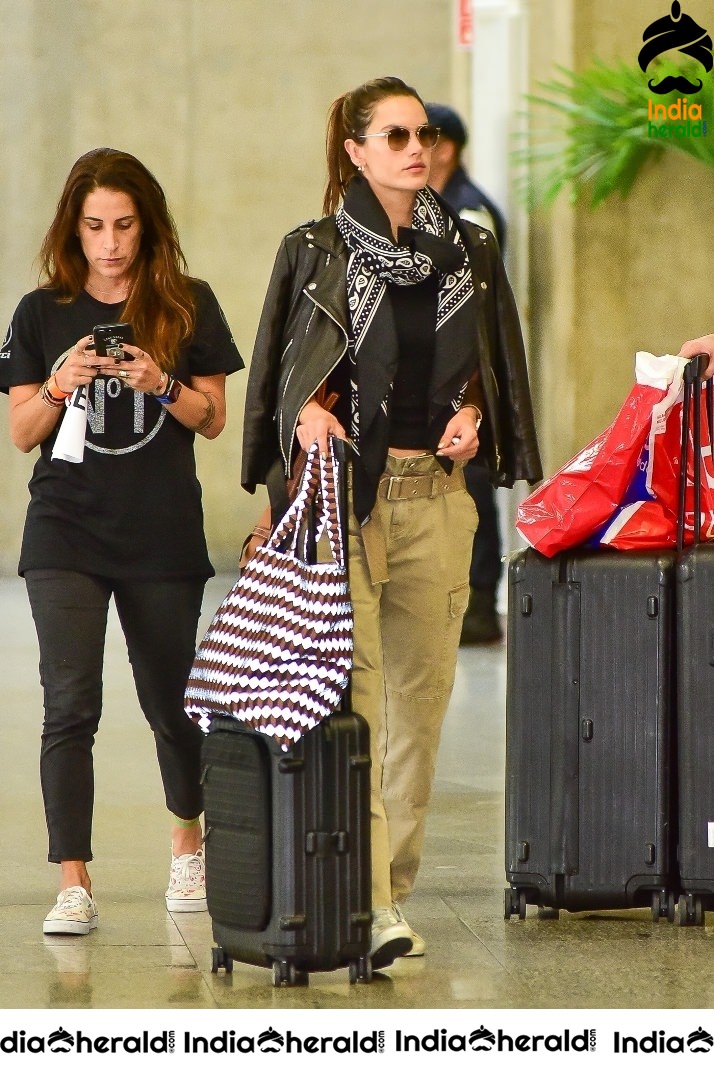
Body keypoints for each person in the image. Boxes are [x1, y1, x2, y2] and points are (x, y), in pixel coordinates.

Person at [241, 76, 542, 968]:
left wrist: (476, 415)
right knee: (362, 699)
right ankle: (370, 906)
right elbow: (277, 374)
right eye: (398, 135)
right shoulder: (315, 249)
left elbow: (496, 364)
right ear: (357, 151)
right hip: (349, 501)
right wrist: (302, 418)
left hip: (441, 498)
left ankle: (390, 889)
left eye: (426, 135)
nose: (420, 148)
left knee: (422, 708)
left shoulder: (471, 251)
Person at [0, 148, 244, 935]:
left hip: (160, 530)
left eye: (125, 225)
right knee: (69, 704)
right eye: (96, 225)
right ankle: (73, 878)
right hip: (64, 529)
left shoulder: (189, 304)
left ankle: (187, 842)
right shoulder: (41, 312)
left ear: (149, 224)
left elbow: (215, 418)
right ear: (74, 227)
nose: (110, 242)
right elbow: (22, 432)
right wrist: (64, 380)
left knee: (173, 700)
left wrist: (160, 383)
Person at [426, 101, 507, 644]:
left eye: (420, 138)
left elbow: (472, 307)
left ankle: (478, 604)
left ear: (446, 149)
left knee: (472, 484)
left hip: (468, 373)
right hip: (441, 374)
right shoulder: (431, 207)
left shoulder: (469, 213)